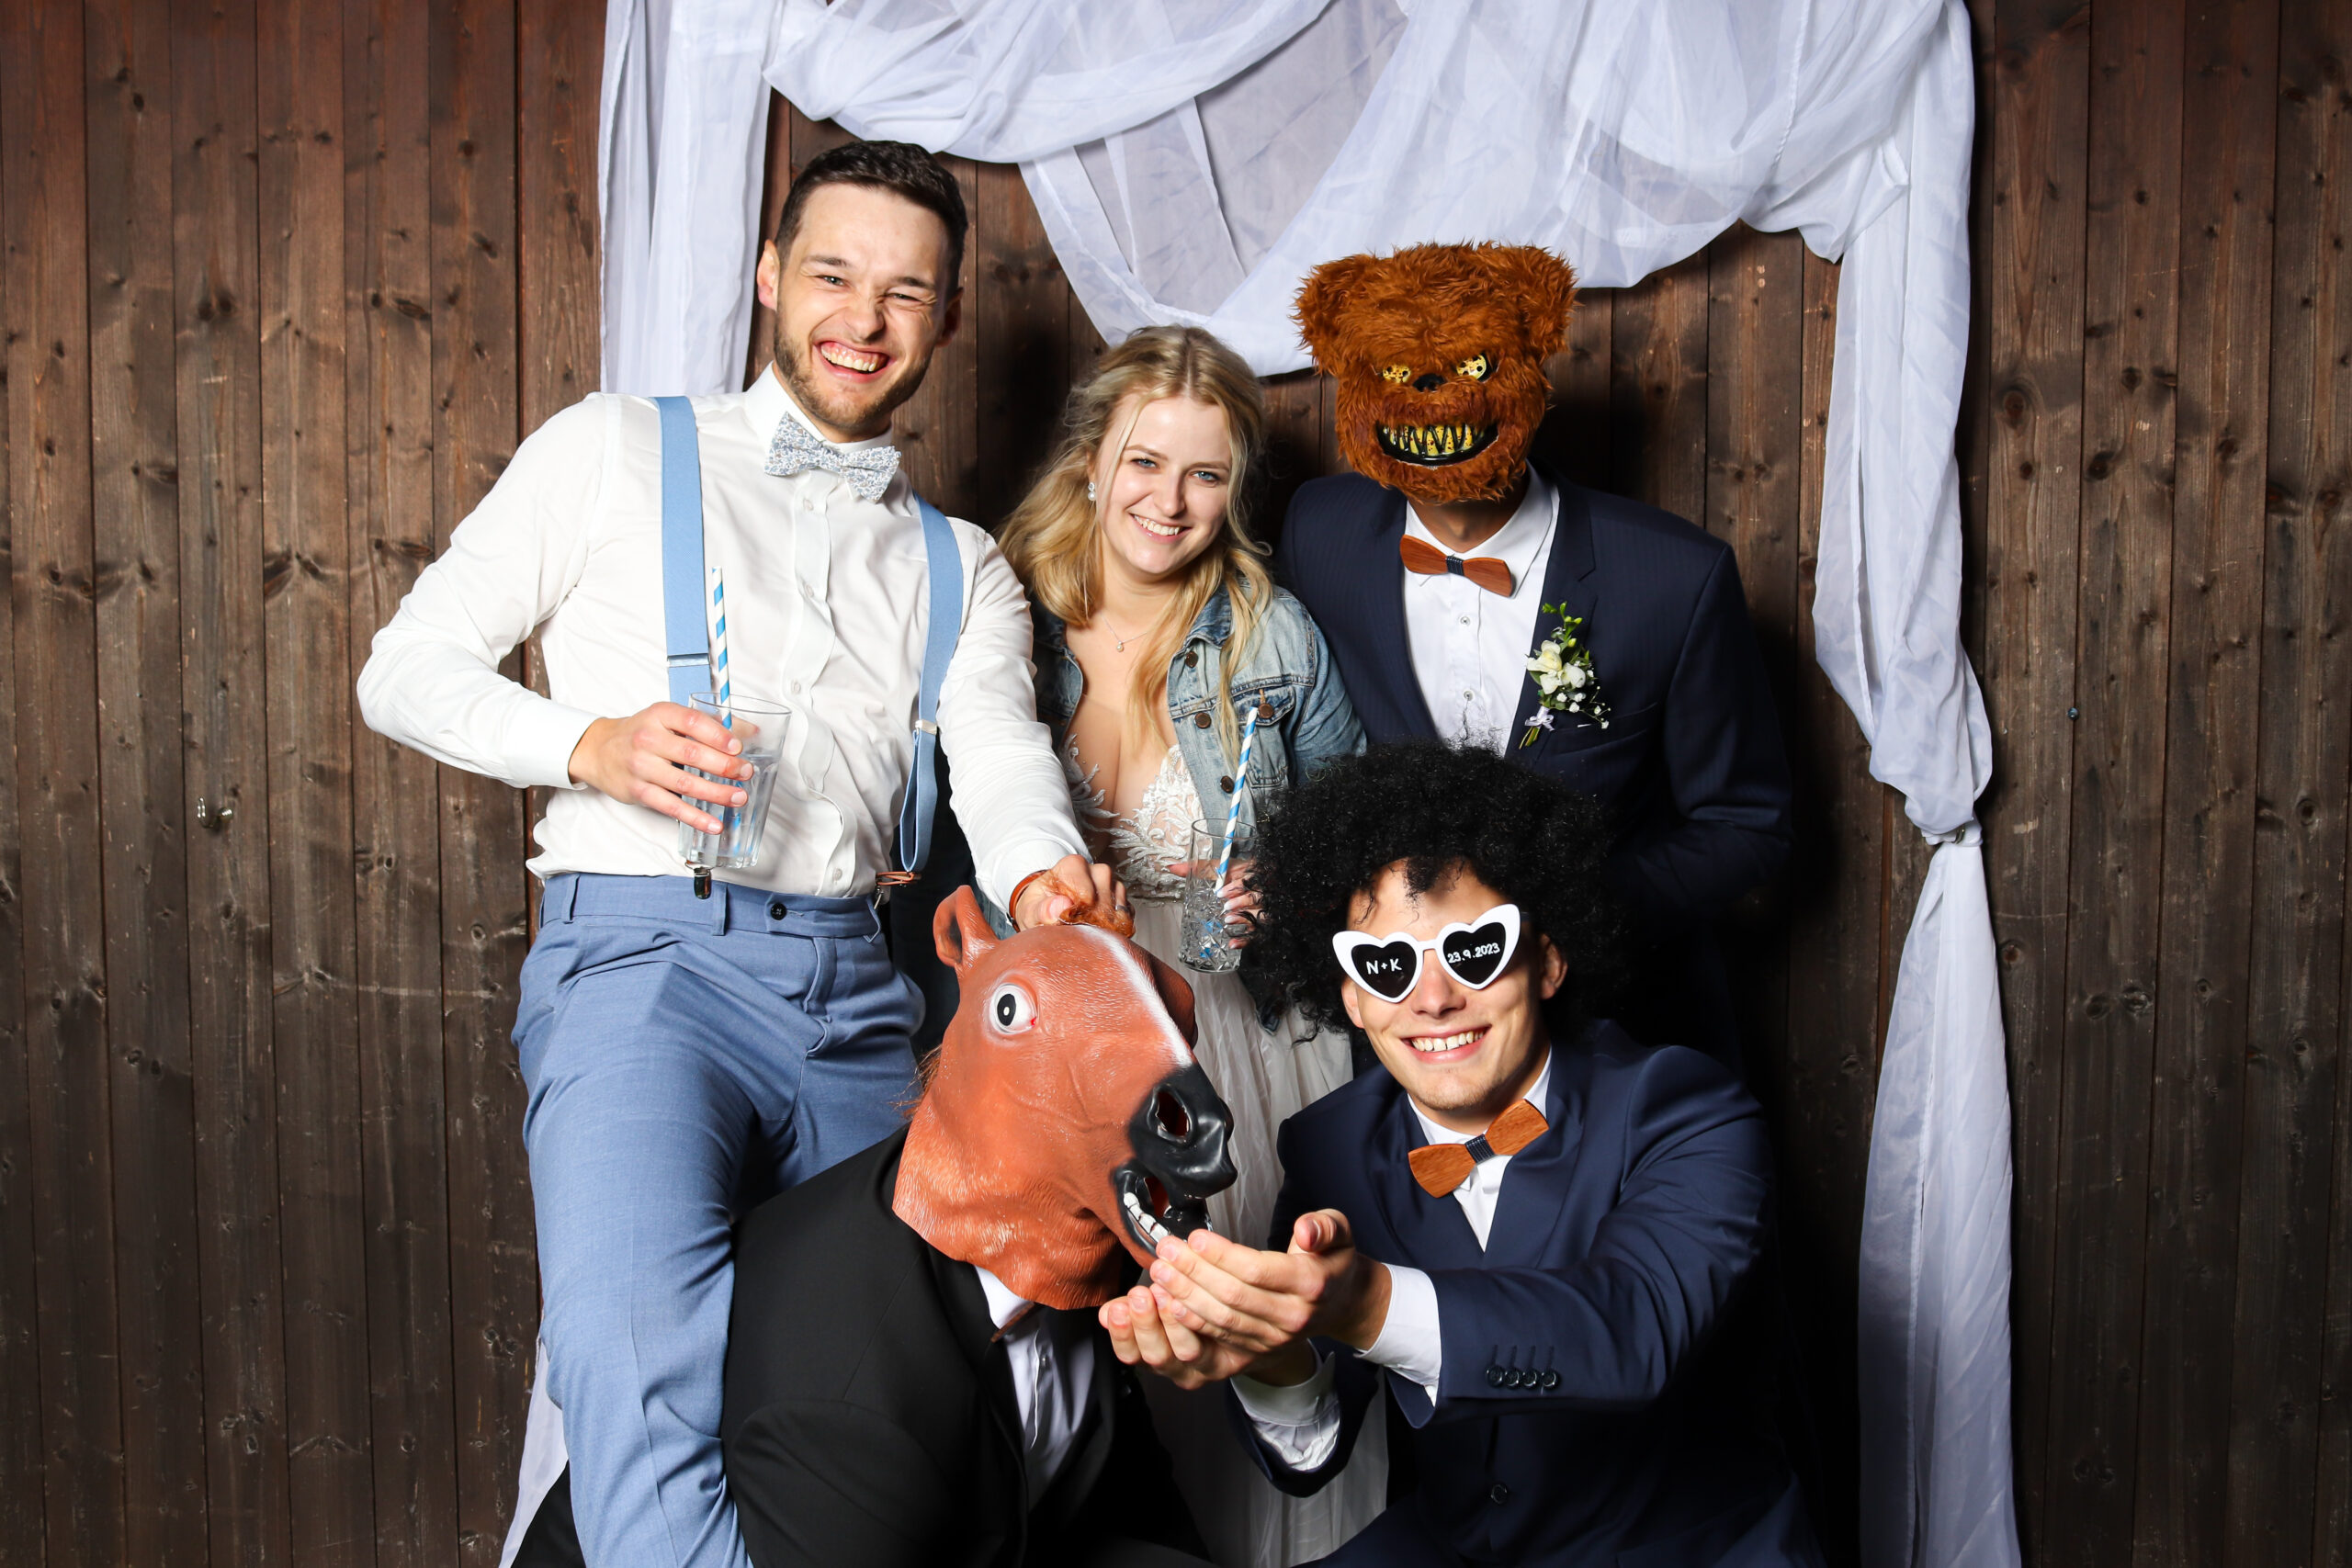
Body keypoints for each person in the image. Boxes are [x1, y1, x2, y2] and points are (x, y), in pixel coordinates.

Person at [357, 140, 1117, 1568]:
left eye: (906, 291)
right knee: (638, 1357)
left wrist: (1040, 876)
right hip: (643, 967)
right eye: (832, 274)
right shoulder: (612, 447)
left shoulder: (963, 563)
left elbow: (1003, 754)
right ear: (770, 278)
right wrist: (587, 743)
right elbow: (403, 669)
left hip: (857, 999)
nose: (863, 319)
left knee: (917, 1361)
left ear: (947, 318)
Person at [1100, 744, 1825, 1567]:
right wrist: (1274, 1354)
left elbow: (1631, 1330)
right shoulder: (1330, 1146)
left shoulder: (1684, 1110)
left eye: (1473, 950)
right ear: (1352, 997)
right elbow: (1312, 1450)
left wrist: (1368, 1304)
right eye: (1387, 965)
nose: (1435, 997)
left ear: (1547, 960)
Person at [995, 324, 1382, 1567]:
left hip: (1242, 1020)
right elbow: (944, 807)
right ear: (1091, 461)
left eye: (1205, 474)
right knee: (1091, 1329)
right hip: (1074, 1030)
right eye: (1145, 463)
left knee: (1247, 1303)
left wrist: (1301, 888)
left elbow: (1363, 836)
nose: (1170, 502)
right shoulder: (1002, 615)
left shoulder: (1275, 636)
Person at [1278, 243, 1792, 1069]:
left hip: (1617, 1037)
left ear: (1529, 365)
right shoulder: (1320, 531)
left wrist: (1569, 907)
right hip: (1408, 1036)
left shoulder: (1674, 577)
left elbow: (1748, 825)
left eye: (1473, 367)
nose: (1434, 399)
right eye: (1401, 372)